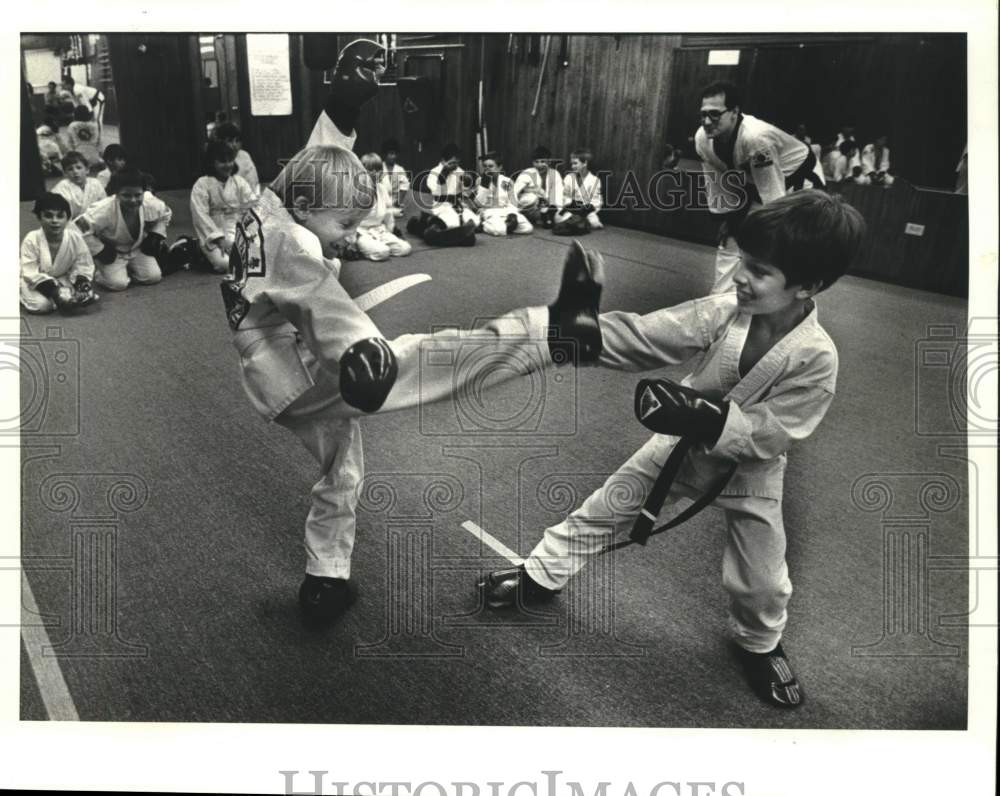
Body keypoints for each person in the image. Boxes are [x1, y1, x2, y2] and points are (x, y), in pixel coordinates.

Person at [478, 191, 866, 710]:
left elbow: (779, 431)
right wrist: (586, 331)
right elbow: (650, 336)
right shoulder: (726, 311)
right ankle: (540, 576)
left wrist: (709, 415)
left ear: (808, 286)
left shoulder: (815, 356)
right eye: (743, 263)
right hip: (679, 447)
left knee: (762, 578)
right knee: (603, 510)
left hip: (751, 471)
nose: (741, 278)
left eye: (760, 271)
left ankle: (760, 644)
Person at [221, 143, 605, 626]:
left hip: (275, 378)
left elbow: (311, 167)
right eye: (344, 225)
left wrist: (340, 115)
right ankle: (554, 332)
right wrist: (361, 347)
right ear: (303, 207)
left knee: (343, 471)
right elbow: (319, 297)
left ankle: (325, 578)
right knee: (428, 359)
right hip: (301, 371)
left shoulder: (267, 209)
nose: (350, 237)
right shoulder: (291, 241)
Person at [694, 81, 825, 293]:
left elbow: (773, 198)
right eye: (703, 114)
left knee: (777, 248)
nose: (707, 121)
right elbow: (716, 181)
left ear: (734, 112)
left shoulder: (756, 138)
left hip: (800, 183)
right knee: (730, 240)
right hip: (754, 184)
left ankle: (785, 300)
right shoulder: (702, 138)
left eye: (715, 114)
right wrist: (728, 218)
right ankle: (719, 301)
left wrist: (767, 231)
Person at [76, 168, 186, 290]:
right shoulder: (103, 210)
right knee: (118, 284)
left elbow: (165, 214)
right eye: (126, 195)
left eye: (138, 195)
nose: (133, 200)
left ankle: (127, 270)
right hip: (112, 251)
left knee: (153, 277)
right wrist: (100, 250)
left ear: (144, 192)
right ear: (116, 193)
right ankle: (101, 273)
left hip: (136, 248)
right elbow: (78, 228)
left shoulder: (151, 202)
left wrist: (156, 234)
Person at [20, 192, 99, 314]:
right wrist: (55, 292)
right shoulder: (32, 239)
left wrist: (81, 283)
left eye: (60, 216)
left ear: (67, 218)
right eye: (48, 216)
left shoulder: (75, 238)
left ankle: (64, 295)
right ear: (39, 218)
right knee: (43, 306)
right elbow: (30, 272)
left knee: (82, 294)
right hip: (30, 280)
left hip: (60, 277)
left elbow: (83, 264)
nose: (55, 221)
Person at [187, 140, 257, 274]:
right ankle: (195, 249)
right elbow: (200, 215)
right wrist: (221, 240)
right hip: (212, 233)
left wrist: (247, 232)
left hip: (236, 228)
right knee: (225, 264)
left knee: (255, 258)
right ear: (211, 162)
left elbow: (251, 206)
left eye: (230, 160)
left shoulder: (239, 182)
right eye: (222, 161)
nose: (228, 165)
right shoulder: (202, 184)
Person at [405, 143, 478, 246]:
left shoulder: (459, 171)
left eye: (457, 163)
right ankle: (434, 233)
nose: (455, 166)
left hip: (456, 205)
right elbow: (436, 192)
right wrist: (443, 175)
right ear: (443, 161)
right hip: (441, 205)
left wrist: (466, 181)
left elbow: (465, 190)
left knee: (472, 221)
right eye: (452, 163)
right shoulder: (434, 172)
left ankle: (450, 237)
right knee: (448, 224)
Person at [353, 152, 412, 261]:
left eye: (379, 170)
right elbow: (348, 219)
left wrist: (390, 232)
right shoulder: (355, 191)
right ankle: (360, 248)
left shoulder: (382, 189)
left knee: (405, 248)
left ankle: (377, 244)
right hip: (360, 233)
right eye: (371, 170)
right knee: (383, 252)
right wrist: (350, 241)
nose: (376, 173)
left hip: (379, 230)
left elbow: (388, 214)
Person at [470, 152, 532, 237]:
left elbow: (513, 203)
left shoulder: (507, 181)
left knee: (527, 228)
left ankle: (504, 226)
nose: (487, 169)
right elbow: (478, 203)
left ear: (499, 167)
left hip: (505, 211)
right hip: (490, 212)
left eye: (491, 166)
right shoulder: (480, 181)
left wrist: (512, 214)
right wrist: (485, 186)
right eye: (485, 166)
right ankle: (483, 224)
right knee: (498, 230)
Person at [514, 145, 564, 229]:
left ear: (549, 162)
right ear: (532, 162)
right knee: (531, 197)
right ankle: (532, 217)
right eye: (536, 162)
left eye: (543, 161)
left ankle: (546, 216)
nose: (539, 165)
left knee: (561, 212)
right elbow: (515, 191)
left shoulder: (555, 174)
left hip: (547, 206)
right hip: (528, 206)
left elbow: (558, 193)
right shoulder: (527, 173)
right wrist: (532, 190)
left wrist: (554, 208)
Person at [556, 147, 604, 234]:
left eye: (575, 163)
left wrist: (585, 209)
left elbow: (597, 201)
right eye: (572, 163)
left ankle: (584, 222)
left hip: (586, 210)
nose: (572, 166)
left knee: (595, 223)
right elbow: (564, 195)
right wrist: (569, 204)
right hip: (571, 209)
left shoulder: (594, 180)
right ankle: (578, 223)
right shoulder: (569, 178)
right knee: (559, 220)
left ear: (585, 163)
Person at [52, 151, 107, 218]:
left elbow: (104, 205)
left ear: (87, 170)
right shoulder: (61, 188)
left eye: (79, 167)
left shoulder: (95, 183)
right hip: (71, 223)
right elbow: (60, 213)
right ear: (65, 173)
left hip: (96, 219)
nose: (75, 172)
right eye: (70, 169)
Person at [213, 122, 260, 195]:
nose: (234, 145)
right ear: (220, 142)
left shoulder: (244, 155)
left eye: (237, 140)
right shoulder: (217, 159)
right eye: (230, 141)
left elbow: (254, 180)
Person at [62, 76, 105, 142]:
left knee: (97, 119)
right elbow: (76, 105)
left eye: (64, 85)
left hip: (98, 98)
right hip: (90, 100)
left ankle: (99, 139)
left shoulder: (78, 90)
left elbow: (86, 104)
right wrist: (76, 115)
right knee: (86, 120)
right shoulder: (69, 91)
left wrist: (91, 115)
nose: (63, 87)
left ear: (69, 84)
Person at [380, 138, 410, 216]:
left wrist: (398, 201)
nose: (393, 156)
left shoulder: (400, 169)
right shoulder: (379, 168)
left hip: (394, 201)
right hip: (381, 200)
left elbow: (405, 186)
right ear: (385, 154)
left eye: (395, 154)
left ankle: (389, 211)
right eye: (391, 154)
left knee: (399, 212)